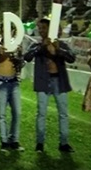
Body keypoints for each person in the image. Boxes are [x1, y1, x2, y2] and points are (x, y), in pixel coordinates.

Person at [24, 17, 75, 153]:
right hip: (43, 82)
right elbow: (27, 57)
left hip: (59, 81)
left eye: (44, 28)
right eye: (39, 28)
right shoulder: (36, 45)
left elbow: (71, 58)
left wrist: (58, 50)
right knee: (41, 113)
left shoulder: (61, 45)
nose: (41, 31)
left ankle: (64, 143)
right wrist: (42, 47)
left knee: (63, 114)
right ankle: (40, 143)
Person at [0, 25, 26, 152]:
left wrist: (16, 56)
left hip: (14, 82)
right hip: (0, 81)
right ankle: (4, 141)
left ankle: (14, 140)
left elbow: (22, 63)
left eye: (10, 30)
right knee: (2, 114)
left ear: (13, 31)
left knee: (17, 113)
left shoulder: (17, 45)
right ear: (2, 31)